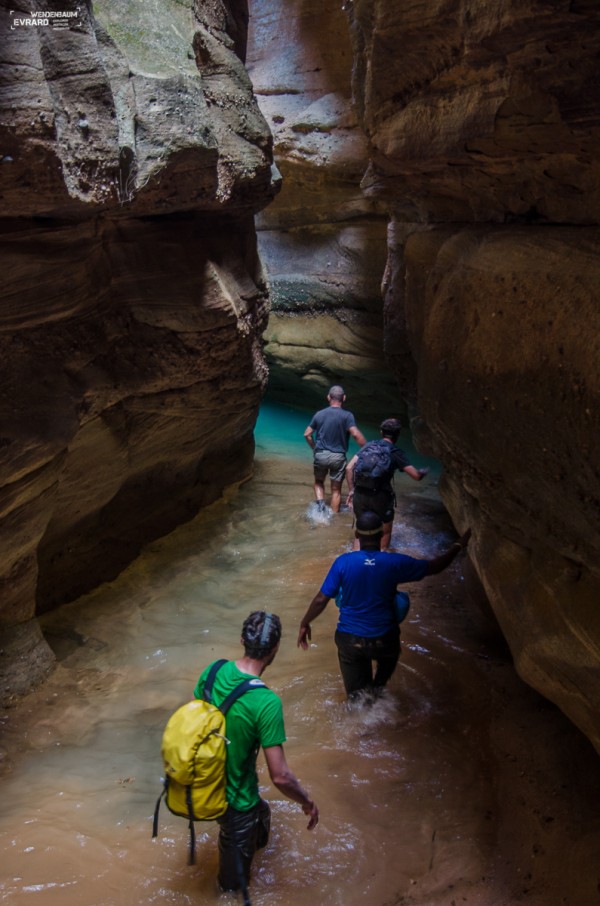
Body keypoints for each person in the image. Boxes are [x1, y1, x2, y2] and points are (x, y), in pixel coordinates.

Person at [193, 611, 319, 894]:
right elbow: (281, 776)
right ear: (275, 649)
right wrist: (307, 802)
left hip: (203, 785)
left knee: (262, 815)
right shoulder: (266, 702)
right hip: (235, 801)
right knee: (233, 890)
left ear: (241, 640)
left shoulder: (213, 671)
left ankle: (252, 850)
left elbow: (194, 718)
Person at [297, 511, 471, 701]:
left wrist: (305, 622)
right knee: (380, 679)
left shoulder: (343, 563)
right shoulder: (394, 563)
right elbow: (436, 566)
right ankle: (377, 690)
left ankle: (362, 714)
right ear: (381, 535)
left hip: (350, 640)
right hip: (385, 641)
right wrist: (458, 545)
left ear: (357, 535)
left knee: (357, 700)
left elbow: (322, 598)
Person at [346, 417, 429, 549]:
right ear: (397, 435)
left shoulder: (369, 446)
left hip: (360, 494)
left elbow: (349, 468)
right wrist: (424, 471)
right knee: (385, 530)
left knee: (361, 528)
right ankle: (381, 558)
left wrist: (352, 490)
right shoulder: (395, 452)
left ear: (381, 432)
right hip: (381, 497)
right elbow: (416, 476)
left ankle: (357, 559)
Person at [304, 385, 366, 512]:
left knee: (319, 482)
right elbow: (355, 434)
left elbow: (307, 434)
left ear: (328, 397)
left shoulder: (319, 414)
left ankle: (321, 508)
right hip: (338, 457)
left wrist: (315, 448)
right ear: (344, 398)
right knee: (336, 490)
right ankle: (334, 519)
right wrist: (368, 448)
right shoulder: (347, 416)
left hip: (320, 454)